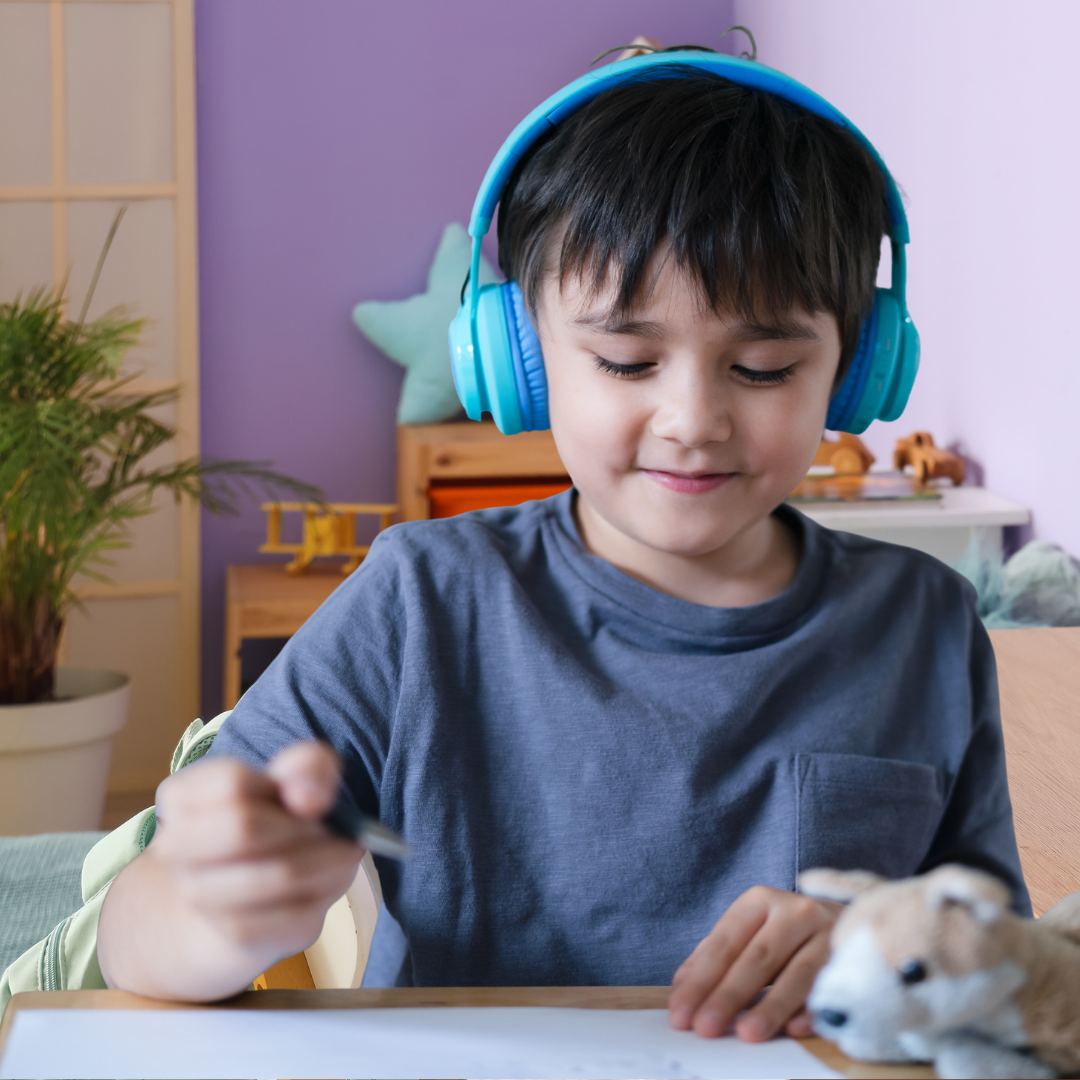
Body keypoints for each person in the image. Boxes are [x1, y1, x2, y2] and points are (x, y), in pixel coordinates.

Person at [97, 53, 1029, 1043]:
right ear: (521, 357)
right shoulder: (421, 602)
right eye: (626, 360)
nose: (691, 419)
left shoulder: (924, 623)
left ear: (858, 369)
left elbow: (1005, 955)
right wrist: (210, 911)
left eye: (762, 367)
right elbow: (136, 934)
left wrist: (874, 943)